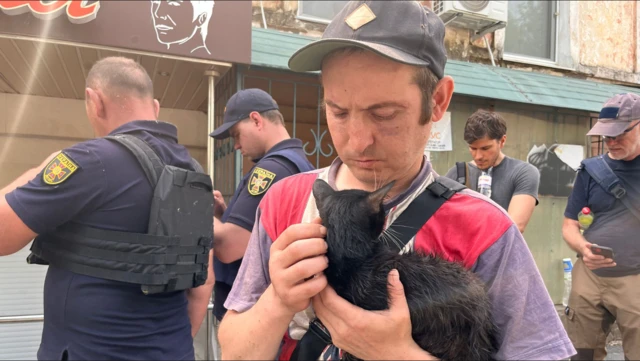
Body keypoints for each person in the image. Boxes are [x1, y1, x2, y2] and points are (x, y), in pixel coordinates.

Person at [218, 1, 575, 360]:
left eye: (384, 114)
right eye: (338, 111)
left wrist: (398, 353)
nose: (357, 141)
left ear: (437, 101)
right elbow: (234, 352)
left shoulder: (486, 229)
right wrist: (277, 300)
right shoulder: (283, 201)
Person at [0, 56, 214, 360]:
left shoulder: (90, 160)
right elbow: (204, 281)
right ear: (155, 107)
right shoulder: (193, 172)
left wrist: (41, 169)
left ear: (94, 101)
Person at [208, 88, 314, 332]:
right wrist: (222, 216)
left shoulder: (271, 170)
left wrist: (194, 209)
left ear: (256, 120)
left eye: (236, 134)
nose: (235, 145)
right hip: (274, 314)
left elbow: (229, 247)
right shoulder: (300, 164)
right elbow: (262, 237)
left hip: (253, 320)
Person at [562, 92, 640, 361]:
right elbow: (570, 225)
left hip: (636, 278)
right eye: (607, 135)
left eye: (619, 134)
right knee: (580, 354)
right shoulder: (591, 170)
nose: (611, 142)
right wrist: (583, 248)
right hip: (589, 277)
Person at [444, 109, 540, 233]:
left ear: (502, 141)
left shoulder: (523, 172)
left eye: (485, 148)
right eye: (473, 148)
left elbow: (515, 227)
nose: (478, 156)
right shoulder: (458, 173)